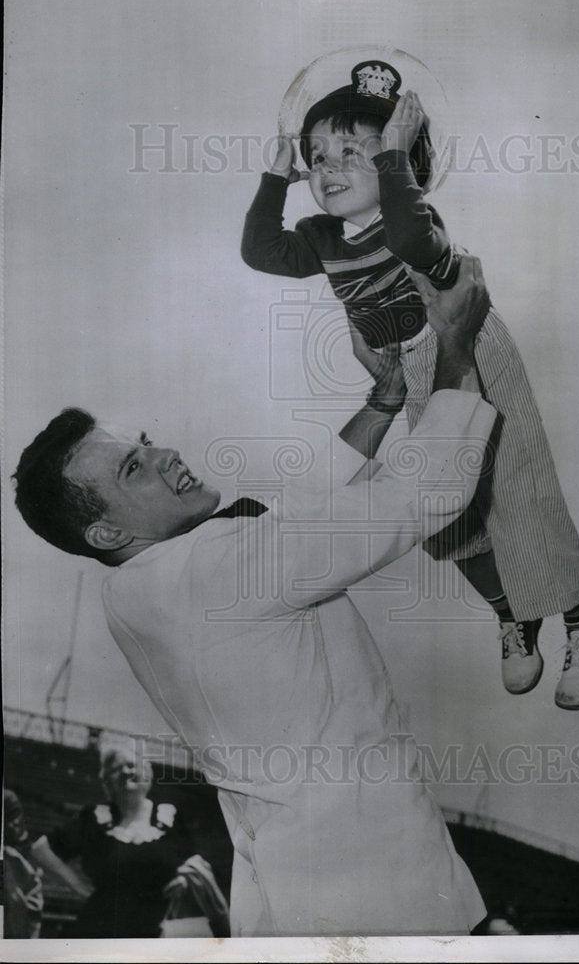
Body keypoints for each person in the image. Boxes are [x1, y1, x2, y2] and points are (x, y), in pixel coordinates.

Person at [14, 256, 493, 936]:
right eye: (133, 467)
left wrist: (383, 402)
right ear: (106, 527)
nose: (164, 455)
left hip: (297, 885)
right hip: (378, 890)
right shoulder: (214, 569)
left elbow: (289, 524)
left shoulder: (131, 589)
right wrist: (455, 346)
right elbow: (428, 491)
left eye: (143, 443)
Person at [241, 57, 579, 710]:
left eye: (352, 152)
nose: (327, 167)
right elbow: (261, 252)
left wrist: (394, 164)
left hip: (467, 344)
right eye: (317, 156)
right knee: (443, 510)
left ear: (400, 162)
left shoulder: (412, 221)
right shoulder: (321, 237)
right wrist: (275, 177)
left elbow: (415, 240)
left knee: (514, 491)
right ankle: (512, 612)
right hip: (416, 371)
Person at [29, 746, 215, 938]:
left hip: (153, 932)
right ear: (107, 780)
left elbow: (194, 864)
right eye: (116, 769)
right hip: (98, 931)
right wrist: (77, 885)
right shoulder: (94, 818)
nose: (126, 772)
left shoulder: (169, 817)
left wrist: (183, 880)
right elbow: (40, 849)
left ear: (147, 773)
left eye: (131, 765)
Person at [3, 789, 44, 938]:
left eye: (17, 814)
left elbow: (31, 921)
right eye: (10, 815)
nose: (16, 822)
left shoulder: (19, 863)